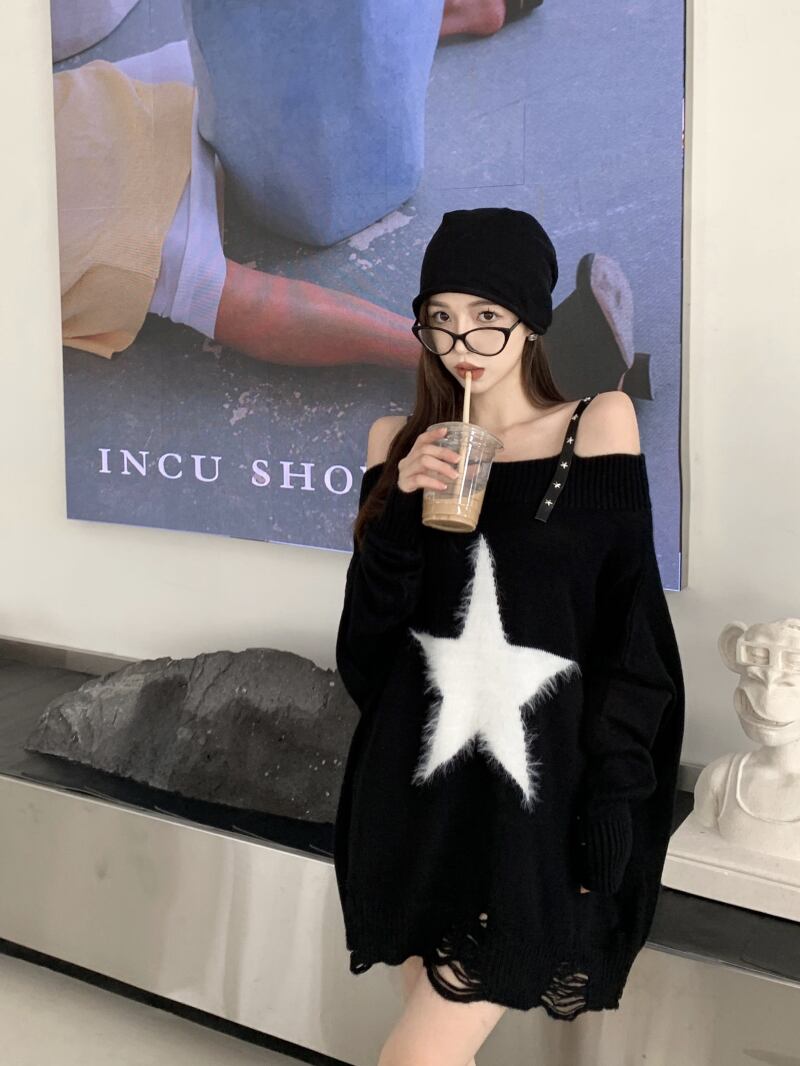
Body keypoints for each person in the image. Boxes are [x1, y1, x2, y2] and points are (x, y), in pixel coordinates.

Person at [333, 207, 685, 1062]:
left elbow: (631, 635)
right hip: (410, 797)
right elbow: (367, 659)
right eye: (441, 318)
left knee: (415, 1056)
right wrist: (399, 511)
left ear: (530, 322)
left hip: (529, 811)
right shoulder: (398, 444)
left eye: (487, 316)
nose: (463, 343)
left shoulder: (596, 424)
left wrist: (616, 797)